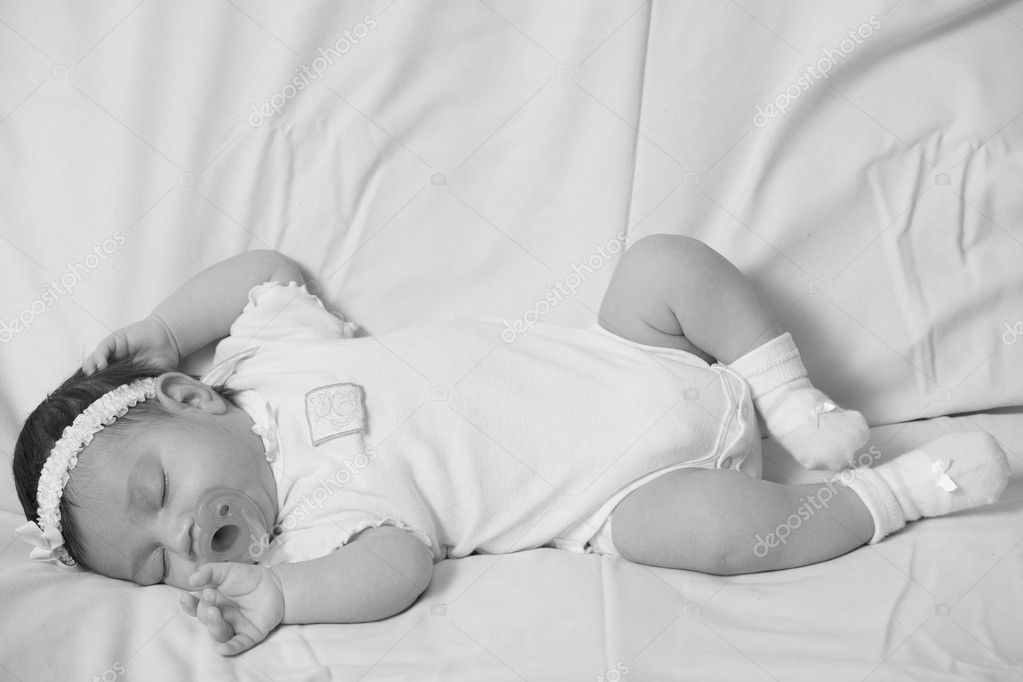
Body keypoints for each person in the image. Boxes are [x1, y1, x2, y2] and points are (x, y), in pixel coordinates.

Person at [12, 236, 1009, 656]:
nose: (182, 540)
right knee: (717, 537)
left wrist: (164, 325)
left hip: (632, 348)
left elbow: (265, 269)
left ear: (190, 395)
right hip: (621, 495)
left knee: (661, 262)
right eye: (157, 566)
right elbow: (399, 568)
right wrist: (280, 597)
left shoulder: (269, 354)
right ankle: (900, 493)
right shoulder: (312, 532)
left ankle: (792, 401)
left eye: (157, 492)